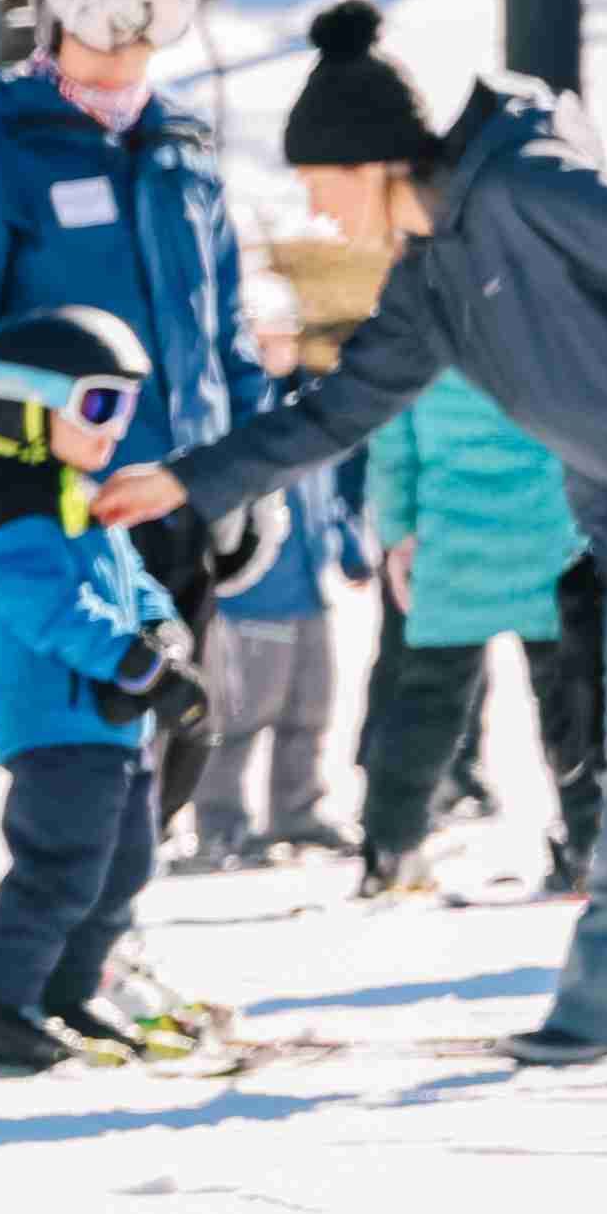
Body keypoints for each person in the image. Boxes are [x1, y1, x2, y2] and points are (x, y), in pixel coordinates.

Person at [98, 1, 607, 1064]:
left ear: (371, 162)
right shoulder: (429, 282)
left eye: (321, 185)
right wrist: (184, 483)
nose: (319, 213)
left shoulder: (528, 188)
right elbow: (335, 413)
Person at [0, 0, 265, 840]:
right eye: (112, 17)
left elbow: (224, 326)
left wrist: (248, 472)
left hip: (180, 486)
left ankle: (115, 928)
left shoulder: (184, 151)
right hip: (66, 500)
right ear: (58, 8)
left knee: (184, 734)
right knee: (87, 743)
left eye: (161, 16)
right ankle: (66, 944)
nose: (133, 45)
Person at [0, 313, 189, 1070]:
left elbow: (132, 583)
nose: (115, 430)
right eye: (99, 406)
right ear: (25, 407)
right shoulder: (2, 512)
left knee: (124, 867)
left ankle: (70, 990)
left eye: (125, 408)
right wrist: (133, 663)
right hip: (54, 727)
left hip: (114, 726)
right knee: (61, 867)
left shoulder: (74, 496)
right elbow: (54, 612)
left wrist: (163, 634)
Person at [348, 370, 588, 899]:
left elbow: (392, 444)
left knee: (424, 706)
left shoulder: (428, 328)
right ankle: (591, 846)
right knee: (570, 704)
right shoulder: (551, 316)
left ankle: (392, 850)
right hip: (548, 538)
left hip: (451, 544)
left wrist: (397, 533)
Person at [185, 301, 368, 869]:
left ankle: (297, 810)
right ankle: (220, 823)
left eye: (287, 333)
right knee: (240, 714)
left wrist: (349, 543)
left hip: (308, 589)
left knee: (309, 707)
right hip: (253, 595)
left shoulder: (305, 405)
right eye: (265, 336)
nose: (279, 345)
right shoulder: (240, 413)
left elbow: (325, 494)